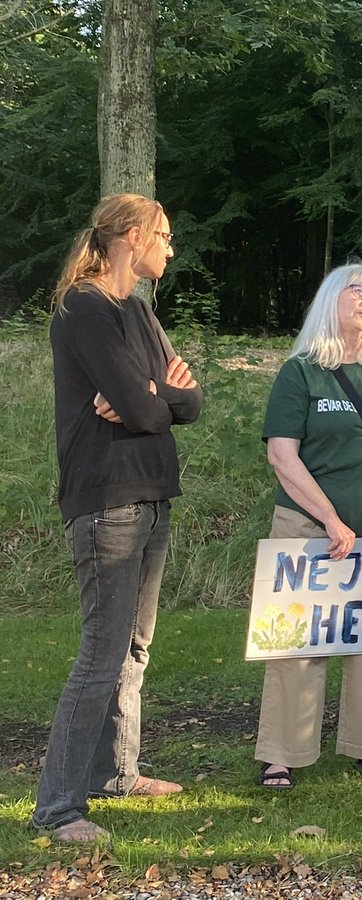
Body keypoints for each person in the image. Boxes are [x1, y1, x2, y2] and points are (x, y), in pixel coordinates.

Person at [34, 194, 203, 842]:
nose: (171, 247)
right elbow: (144, 404)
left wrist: (157, 394)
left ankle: (116, 772)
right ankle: (57, 809)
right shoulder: (84, 308)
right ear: (130, 238)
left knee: (133, 649)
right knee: (101, 655)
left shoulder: (136, 311)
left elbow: (186, 401)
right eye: (163, 235)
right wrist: (153, 395)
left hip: (153, 492)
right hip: (107, 501)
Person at [256, 263, 362, 789]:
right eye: (358, 289)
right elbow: (281, 453)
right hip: (307, 524)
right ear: (332, 298)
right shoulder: (301, 370)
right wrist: (328, 518)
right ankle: (282, 753)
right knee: (297, 642)